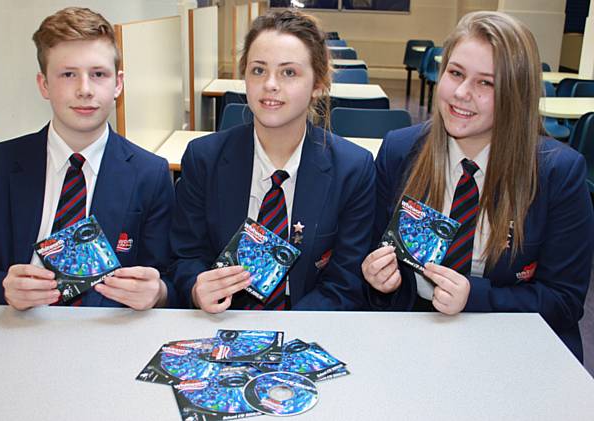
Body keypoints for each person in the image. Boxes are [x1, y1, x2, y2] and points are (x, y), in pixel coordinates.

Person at [362, 11, 593, 361]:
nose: (461, 93)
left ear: (517, 94)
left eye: (487, 83)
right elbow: (372, 268)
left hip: (510, 349)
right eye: (455, 74)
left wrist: (475, 297)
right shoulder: (399, 150)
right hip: (411, 341)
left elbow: (564, 301)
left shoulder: (558, 172)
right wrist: (379, 283)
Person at [0, 7, 176, 310]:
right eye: (68, 74)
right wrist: (3, 288)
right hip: (16, 328)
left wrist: (159, 292)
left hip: (106, 335)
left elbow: (167, 278)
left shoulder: (150, 174)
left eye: (98, 74)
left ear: (118, 84)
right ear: (44, 84)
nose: (84, 90)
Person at [171, 9, 374, 313]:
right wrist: (197, 288)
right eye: (258, 70)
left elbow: (345, 283)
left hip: (309, 323)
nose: (270, 84)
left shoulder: (353, 169)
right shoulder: (204, 159)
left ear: (318, 84)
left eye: (289, 72)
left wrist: (287, 340)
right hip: (222, 320)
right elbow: (184, 257)